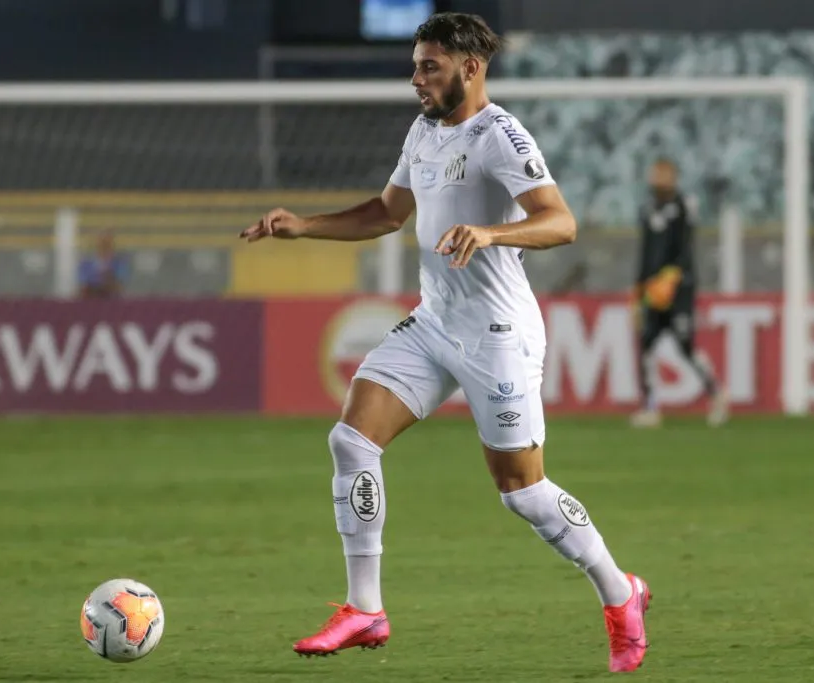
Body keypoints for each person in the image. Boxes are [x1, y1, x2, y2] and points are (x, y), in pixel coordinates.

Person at [241, 12, 650, 673]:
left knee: (522, 490)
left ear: (471, 68)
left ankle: (618, 589)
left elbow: (561, 222)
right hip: (436, 321)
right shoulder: (424, 130)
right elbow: (386, 213)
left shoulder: (500, 135)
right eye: (415, 65)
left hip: (498, 333)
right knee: (351, 437)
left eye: (429, 66)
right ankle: (365, 608)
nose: (416, 78)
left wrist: (492, 232)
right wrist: (304, 225)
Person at [630, 159, 728, 428]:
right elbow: (646, 251)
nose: (656, 178)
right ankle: (650, 407)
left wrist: (670, 278)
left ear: (673, 177)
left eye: (662, 173)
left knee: (685, 345)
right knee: (646, 344)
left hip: (678, 287)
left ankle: (716, 394)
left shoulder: (684, 206)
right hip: (652, 289)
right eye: (654, 173)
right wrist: (639, 287)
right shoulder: (647, 208)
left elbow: (685, 247)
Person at [78, 230, 128, 299]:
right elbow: (83, 287)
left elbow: (119, 286)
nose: (104, 245)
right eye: (102, 241)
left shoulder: (119, 263)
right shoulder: (86, 264)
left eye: (107, 242)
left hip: (113, 302)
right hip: (91, 301)